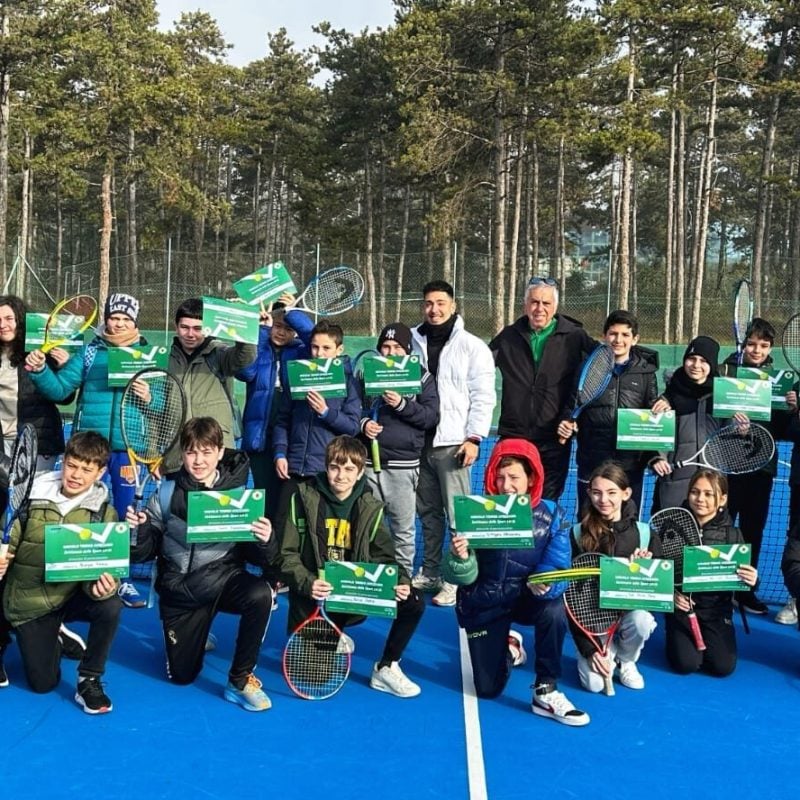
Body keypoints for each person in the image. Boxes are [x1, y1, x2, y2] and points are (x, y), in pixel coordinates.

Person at [126, 417, 276, 711]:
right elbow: (142, 554)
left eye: (207, 452)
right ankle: (198, 629)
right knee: (181, 677)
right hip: (180, 591)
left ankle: (239, 679)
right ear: (182, 454)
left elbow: (261, 559)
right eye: (192, 452)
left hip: (223, 579)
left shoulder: (241, 497)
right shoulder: (166, 494)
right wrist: (141, 529)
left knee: (260, 594)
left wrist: (265, 539)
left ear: (220, 453)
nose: (199, 460)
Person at [442, 438, 589, 726]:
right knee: (487, 689)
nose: (505, 485)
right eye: (499, 477)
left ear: (531, 478)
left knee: (554, 609)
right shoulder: (475, 511)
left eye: (514, 477)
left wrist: (545, 584)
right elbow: (459, 576)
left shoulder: (553, 515)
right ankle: (510, 647)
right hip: (486, 601)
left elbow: (558, 566)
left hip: (526, 598)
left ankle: (546, 688)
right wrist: (460, 558)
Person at [25, 292, 150, 609]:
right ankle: (73, 574)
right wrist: (40, 372)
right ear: (106, 319)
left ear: (135, 322)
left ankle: (120, 580)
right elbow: (61, 389)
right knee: (80, 512)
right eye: (114, 317)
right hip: (88, 448)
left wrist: (148, 395)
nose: (119, 323)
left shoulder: (147, 353)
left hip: (127, 448)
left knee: (124, 517)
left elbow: (163, 403)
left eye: (125, 319)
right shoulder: (91, 351)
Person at [279, 435, 425, 697]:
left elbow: (386, 557)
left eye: (349, 469)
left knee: (413, 600)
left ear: (359, 473)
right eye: (335, 467)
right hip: (316, 599)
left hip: (355, 593)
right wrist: (308, 581)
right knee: (313, 677)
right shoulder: (301, 499)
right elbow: (286, 555)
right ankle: (333, 634)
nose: (341, 475)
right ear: (326, 466)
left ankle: (386, 667)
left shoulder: (370, 507)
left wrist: (401, 581)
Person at [0, 431, 122, 713]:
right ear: (63, 462)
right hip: (29, 598)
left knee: (111, 605)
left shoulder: (104, 514)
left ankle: (89, 678)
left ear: (100, 473)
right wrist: (3, 556)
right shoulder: (28, 497)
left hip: (70, 595)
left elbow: (106, 567)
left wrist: (102, 586)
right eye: (72, 465)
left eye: (86, 469)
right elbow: (11, 542)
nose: (77, 475)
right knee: (43, 684)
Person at [410, 281, 495, 607]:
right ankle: (431, 570)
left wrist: (473, 438)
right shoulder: (412, 342)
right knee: (428, 513)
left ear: (454, 305)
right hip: (419, 443)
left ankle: (455, 577)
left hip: (453, 444)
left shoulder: (473, 346)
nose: (434, 309)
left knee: (459, 517)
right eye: (429, 303)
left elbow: (483, 397)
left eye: (441, 303)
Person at [490, 276, 595, 502]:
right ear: (525, 305)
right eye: (534, 302)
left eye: (546, 303)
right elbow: (477, 370)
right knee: (507, 501)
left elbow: (600, 371)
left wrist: (573, 419)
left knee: (546, 504)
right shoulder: (508, 336)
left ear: (555, 307)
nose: (539, 308)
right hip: (514, 435)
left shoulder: (576, 337)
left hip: (554, 438)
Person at [570, 462, 660, 693]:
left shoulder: (645, 534)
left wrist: (645, 570)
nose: (604, 500)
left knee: (642, 621)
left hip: (629, 615)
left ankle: (627, 659)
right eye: (597, 492)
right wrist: (589, 650)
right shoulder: (577, 534)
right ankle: (604, 652)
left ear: (626, 493)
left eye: (612, 493)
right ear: (589, 493)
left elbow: (660, 588)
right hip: (593, 620)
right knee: (594, 685)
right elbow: (571, 598)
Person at [359, 322, 439, 577]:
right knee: (367, 525)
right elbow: (354, 409)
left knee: (403, 529)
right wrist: (364, 424)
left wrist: (402, 404)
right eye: (385, 346)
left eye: (396, 347)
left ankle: (402, 578)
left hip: (403, 467)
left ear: (407, 350)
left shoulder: (422, 376)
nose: (390, 352)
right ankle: (371, 576)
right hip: (369, 465)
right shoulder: (367, 374)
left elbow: (430, 417)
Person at [562, 310, 659, 514]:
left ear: (635, 339)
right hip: (592, 461)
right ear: (604, 336)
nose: (618, 340)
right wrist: (567, 421)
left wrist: (654, 455)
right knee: (589, 524)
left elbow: (652, 416)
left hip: (630, 465)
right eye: (613, 334)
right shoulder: (587, 368)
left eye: (625, 335)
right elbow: (571, 406)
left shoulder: (647, 374)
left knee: (628, 525)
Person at [665, 469, 758, 677]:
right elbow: (660, 569)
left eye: (709, 494)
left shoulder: (733, 535)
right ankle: (674, 631)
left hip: (716, 612)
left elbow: (742, 580)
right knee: (686, 664)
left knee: (721, 667)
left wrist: (753, 580)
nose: (700, 499)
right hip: (681, 610)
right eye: (695, 492)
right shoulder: (671, 528)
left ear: (722, 498)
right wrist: (671, 596)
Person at [720, 318, 784, 615]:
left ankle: (744, 591)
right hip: (727, 466)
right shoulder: (726, 371)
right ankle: (716, 588)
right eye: (752, 343)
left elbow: (784, 429)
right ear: (743, 344)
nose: (757, 349)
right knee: (720, 528)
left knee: (753, 530)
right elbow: (712, 412)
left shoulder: (778, 379)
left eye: (764, 345)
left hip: (761, 468)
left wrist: (793, 406)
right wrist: (729, 418)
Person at [237, 293, 314, 520]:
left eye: (288, 328)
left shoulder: (303, 352)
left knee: (290, 498)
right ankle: (266, 551)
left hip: (292, 436)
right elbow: (245, 371)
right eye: (277, 326)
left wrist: (294, 312)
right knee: (265, 497)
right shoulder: (260, 347)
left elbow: (315, 337)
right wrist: (261, 331)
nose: (281, 332)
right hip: (259, 438)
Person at [650, 335, 745, 512]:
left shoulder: (722, 398)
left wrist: (740, 429)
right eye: (691, 359)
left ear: (712, 365)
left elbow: (730, 439)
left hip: (712, 480)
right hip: (675, 481)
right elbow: (656, 438)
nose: (696, 365)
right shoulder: (668, 398)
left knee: (708, 535)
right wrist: (656, 458)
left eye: (703, 361)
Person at [163, 297, 257, 474]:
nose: (190, 334)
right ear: (176, 327)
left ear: (207, 328)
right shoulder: (165, 361)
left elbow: (245, 357)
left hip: (217, 459)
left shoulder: (219, 354)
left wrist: (242, 319)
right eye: (185, 327)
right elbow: (158, 413)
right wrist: (154, 454)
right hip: (177, 458)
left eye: (197, 328)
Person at [272, 319, 361, 482]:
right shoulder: (297, 377)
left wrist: (326, 412)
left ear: (339, 350)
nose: (319, 353)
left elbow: (353, 428)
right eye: (315, 347)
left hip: (328, 472)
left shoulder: (349, 383)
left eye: (326, 348)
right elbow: (282, 421)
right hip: (294, 468)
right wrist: (280, 453)